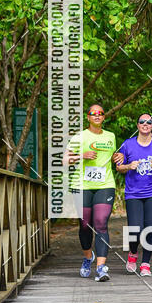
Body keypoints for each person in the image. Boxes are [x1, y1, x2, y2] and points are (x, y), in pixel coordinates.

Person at [65, 103, 122, 282]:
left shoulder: (110, 136)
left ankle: (101, 267)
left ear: (104, 117)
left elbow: (114, 157)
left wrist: (118, 157)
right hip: (82, 185)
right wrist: (82, 156)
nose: (97, 116)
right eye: (93, 113)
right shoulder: (79, 137)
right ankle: (88, 257)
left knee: (101, 223)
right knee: (84, 224)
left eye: (100, 113)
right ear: (88, 117)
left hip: (105, 184)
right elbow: (65, 160)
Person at [115, 113, 152, 276]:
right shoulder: (128, 144)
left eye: (149, 122)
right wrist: (128, 166)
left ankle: (145, 263)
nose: (145, 124)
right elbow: (118, 166)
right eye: (142, 122)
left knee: (150, 228)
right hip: (133, 193)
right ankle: (132, 254)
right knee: (135, 229)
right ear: (137, 125)